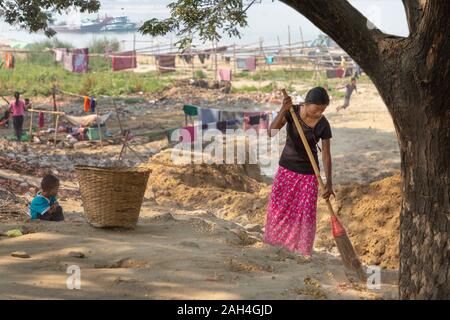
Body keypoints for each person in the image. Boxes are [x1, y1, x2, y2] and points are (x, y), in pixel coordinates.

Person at [266, 87, 334, 259]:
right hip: (286, 170)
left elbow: (326, 154)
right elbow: (271, 133)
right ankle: (275, 243)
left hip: (310, 175)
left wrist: (329, 182)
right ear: (306, 103)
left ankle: (301, 251)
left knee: (304, 215)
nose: (319, 112)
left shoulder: (323, 124)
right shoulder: (292, 112)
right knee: (279, 209)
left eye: (323, 109)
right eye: (317, 108)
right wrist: (282, 110)